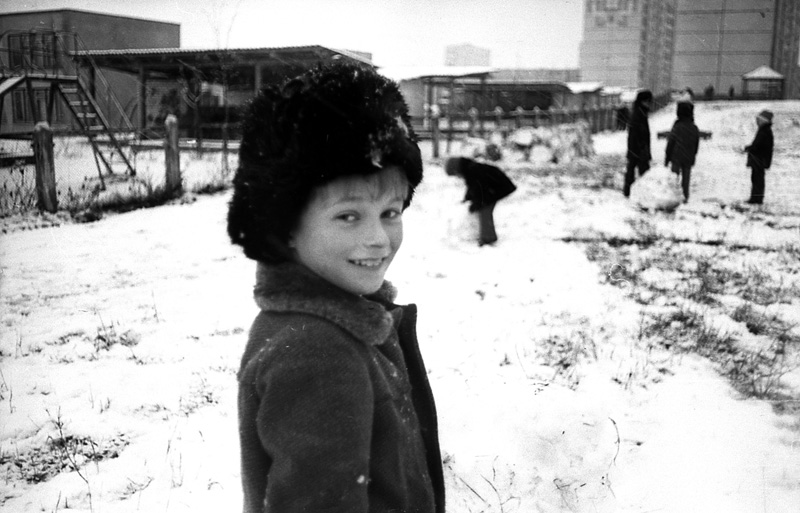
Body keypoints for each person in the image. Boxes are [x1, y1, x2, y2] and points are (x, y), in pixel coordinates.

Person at [227, 62, 445, 513]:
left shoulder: (337, 324)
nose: (379, 239)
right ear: (284, 225)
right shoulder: (318, 354)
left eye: (390, 212)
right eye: (349, 216)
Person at [444, 156, 517, 246]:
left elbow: (479, 190)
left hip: (499, 186)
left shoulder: (472, 170)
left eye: (455, 174)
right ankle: (487, 236)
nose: (457, 176)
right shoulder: (469, 169)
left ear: (456, 169)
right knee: (483, 209)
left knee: (485, 211)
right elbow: (472, 187)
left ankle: (488, 238)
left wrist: (476, 204)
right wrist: (467, 198)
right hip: (492, 187)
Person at [664, 101, 700, 202]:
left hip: (676, 157)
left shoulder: (677, 126)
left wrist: (667, 157)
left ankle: (673, 197)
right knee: (686, 179)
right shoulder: (694, 127)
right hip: (688, 157)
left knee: (674, 179)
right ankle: (685, 196)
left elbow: (671, 142)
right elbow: (696, 144)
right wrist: (693, 155)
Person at [624, 89, 653, 197]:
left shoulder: (640, 112)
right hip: (638, 148)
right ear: (642, 101)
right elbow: (638, 133)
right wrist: (642, 149)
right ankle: (640, 193)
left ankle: (629, 191)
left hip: (636, 147)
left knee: (632, 170)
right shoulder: (639, 114)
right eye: (647, 101)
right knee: (643, 172)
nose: (649, 103)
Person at [744, 110, 774, 204]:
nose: (757, 121)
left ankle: (756, 199)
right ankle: (756, 198)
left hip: (759, 160)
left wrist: (749, 148)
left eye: (759, 119)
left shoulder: (764, 131)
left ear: (764, 120)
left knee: (757, 180)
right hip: (760, 160)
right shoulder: (765, 130)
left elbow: (758, 145)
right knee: (757, 179)